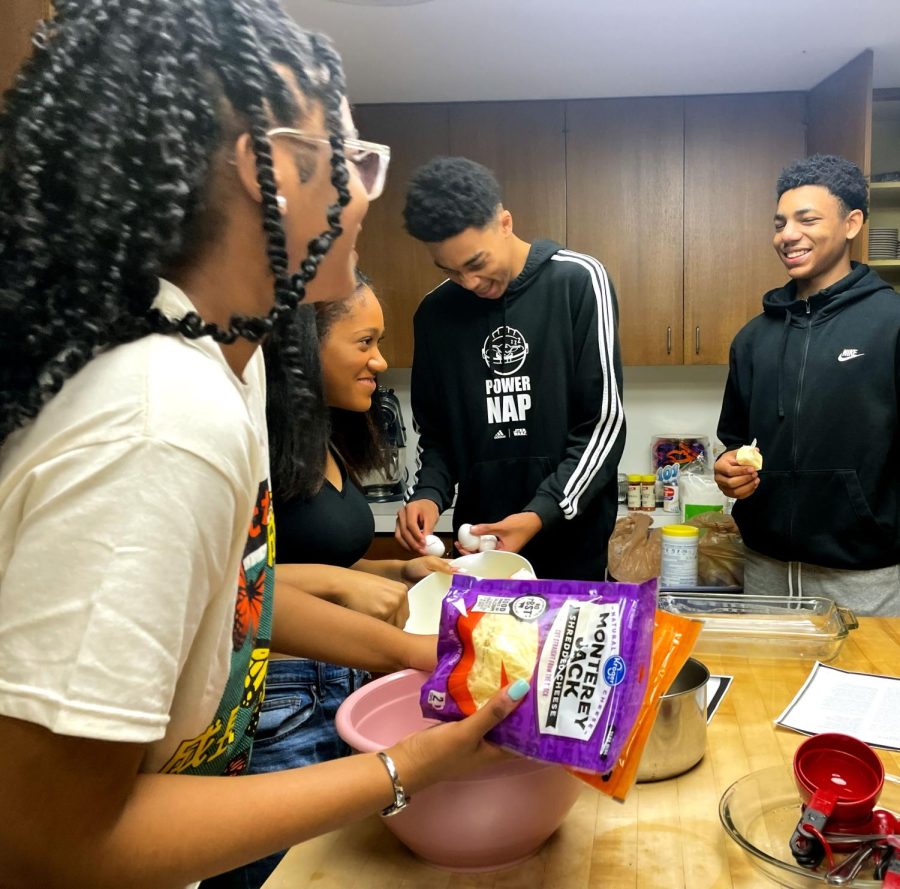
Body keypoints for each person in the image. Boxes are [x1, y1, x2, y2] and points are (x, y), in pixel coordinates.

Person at [0, 6, 527, 889]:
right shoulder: (161, 416)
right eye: (349, 158)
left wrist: (422, 656)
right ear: (269, 169)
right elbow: (50, 839)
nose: (365, 192)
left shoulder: (219, 374)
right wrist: (406, 770)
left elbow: (236, 596)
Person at [211, 275, 453, 888]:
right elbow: (218, 585)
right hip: (277, 701)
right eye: (365, 342)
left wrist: (396, 569)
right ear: (302, 350)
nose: (381, 360)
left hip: (340, 685)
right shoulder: (248, 442)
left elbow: (324, 566)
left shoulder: (326, 437)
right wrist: (340, 584)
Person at [394, 156, 626, 580]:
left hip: (572, 545)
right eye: (450, 270)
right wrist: (428, 494)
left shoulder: (578, 281)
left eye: (477, 263)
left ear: (505, 222)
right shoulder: (434, 314)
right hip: (481, 549)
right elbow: (438, 435)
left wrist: (540, 513)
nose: (469, 283)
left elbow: (602, 426)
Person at [714, 154, 900, 614]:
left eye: (807, 219)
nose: (787, 235)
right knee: (766, 689)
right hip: (764, 570)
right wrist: (727, 470)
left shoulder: (891, 325)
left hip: (866, 580)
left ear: (852, 223)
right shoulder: (753, 338)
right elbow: (734, 443)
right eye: (780, 223)